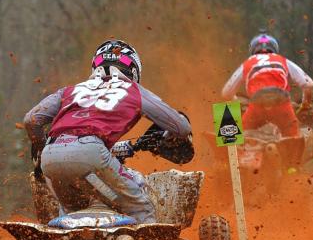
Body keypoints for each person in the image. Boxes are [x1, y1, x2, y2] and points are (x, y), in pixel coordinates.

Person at [23, 39, 193, 224]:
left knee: (71, 214)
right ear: (133, 69)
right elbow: (182, 128)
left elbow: (31, 120)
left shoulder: (69, 91)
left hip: (51, 156)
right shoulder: (133, 90)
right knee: (141, 207)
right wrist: (164, 138)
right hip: (92, 153)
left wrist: (41, 153)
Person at [221, 32, 313, 138]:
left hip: (257, 104)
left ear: (253, 50)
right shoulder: (282, 60)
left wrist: (235, 101)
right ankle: (293, 147)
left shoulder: (248, 63)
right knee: (294, 140)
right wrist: (305, 106)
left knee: (226, 109)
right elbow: (309, 84)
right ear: (274, 49)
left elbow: (226, 92)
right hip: (282, 102)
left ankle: (230, 151)